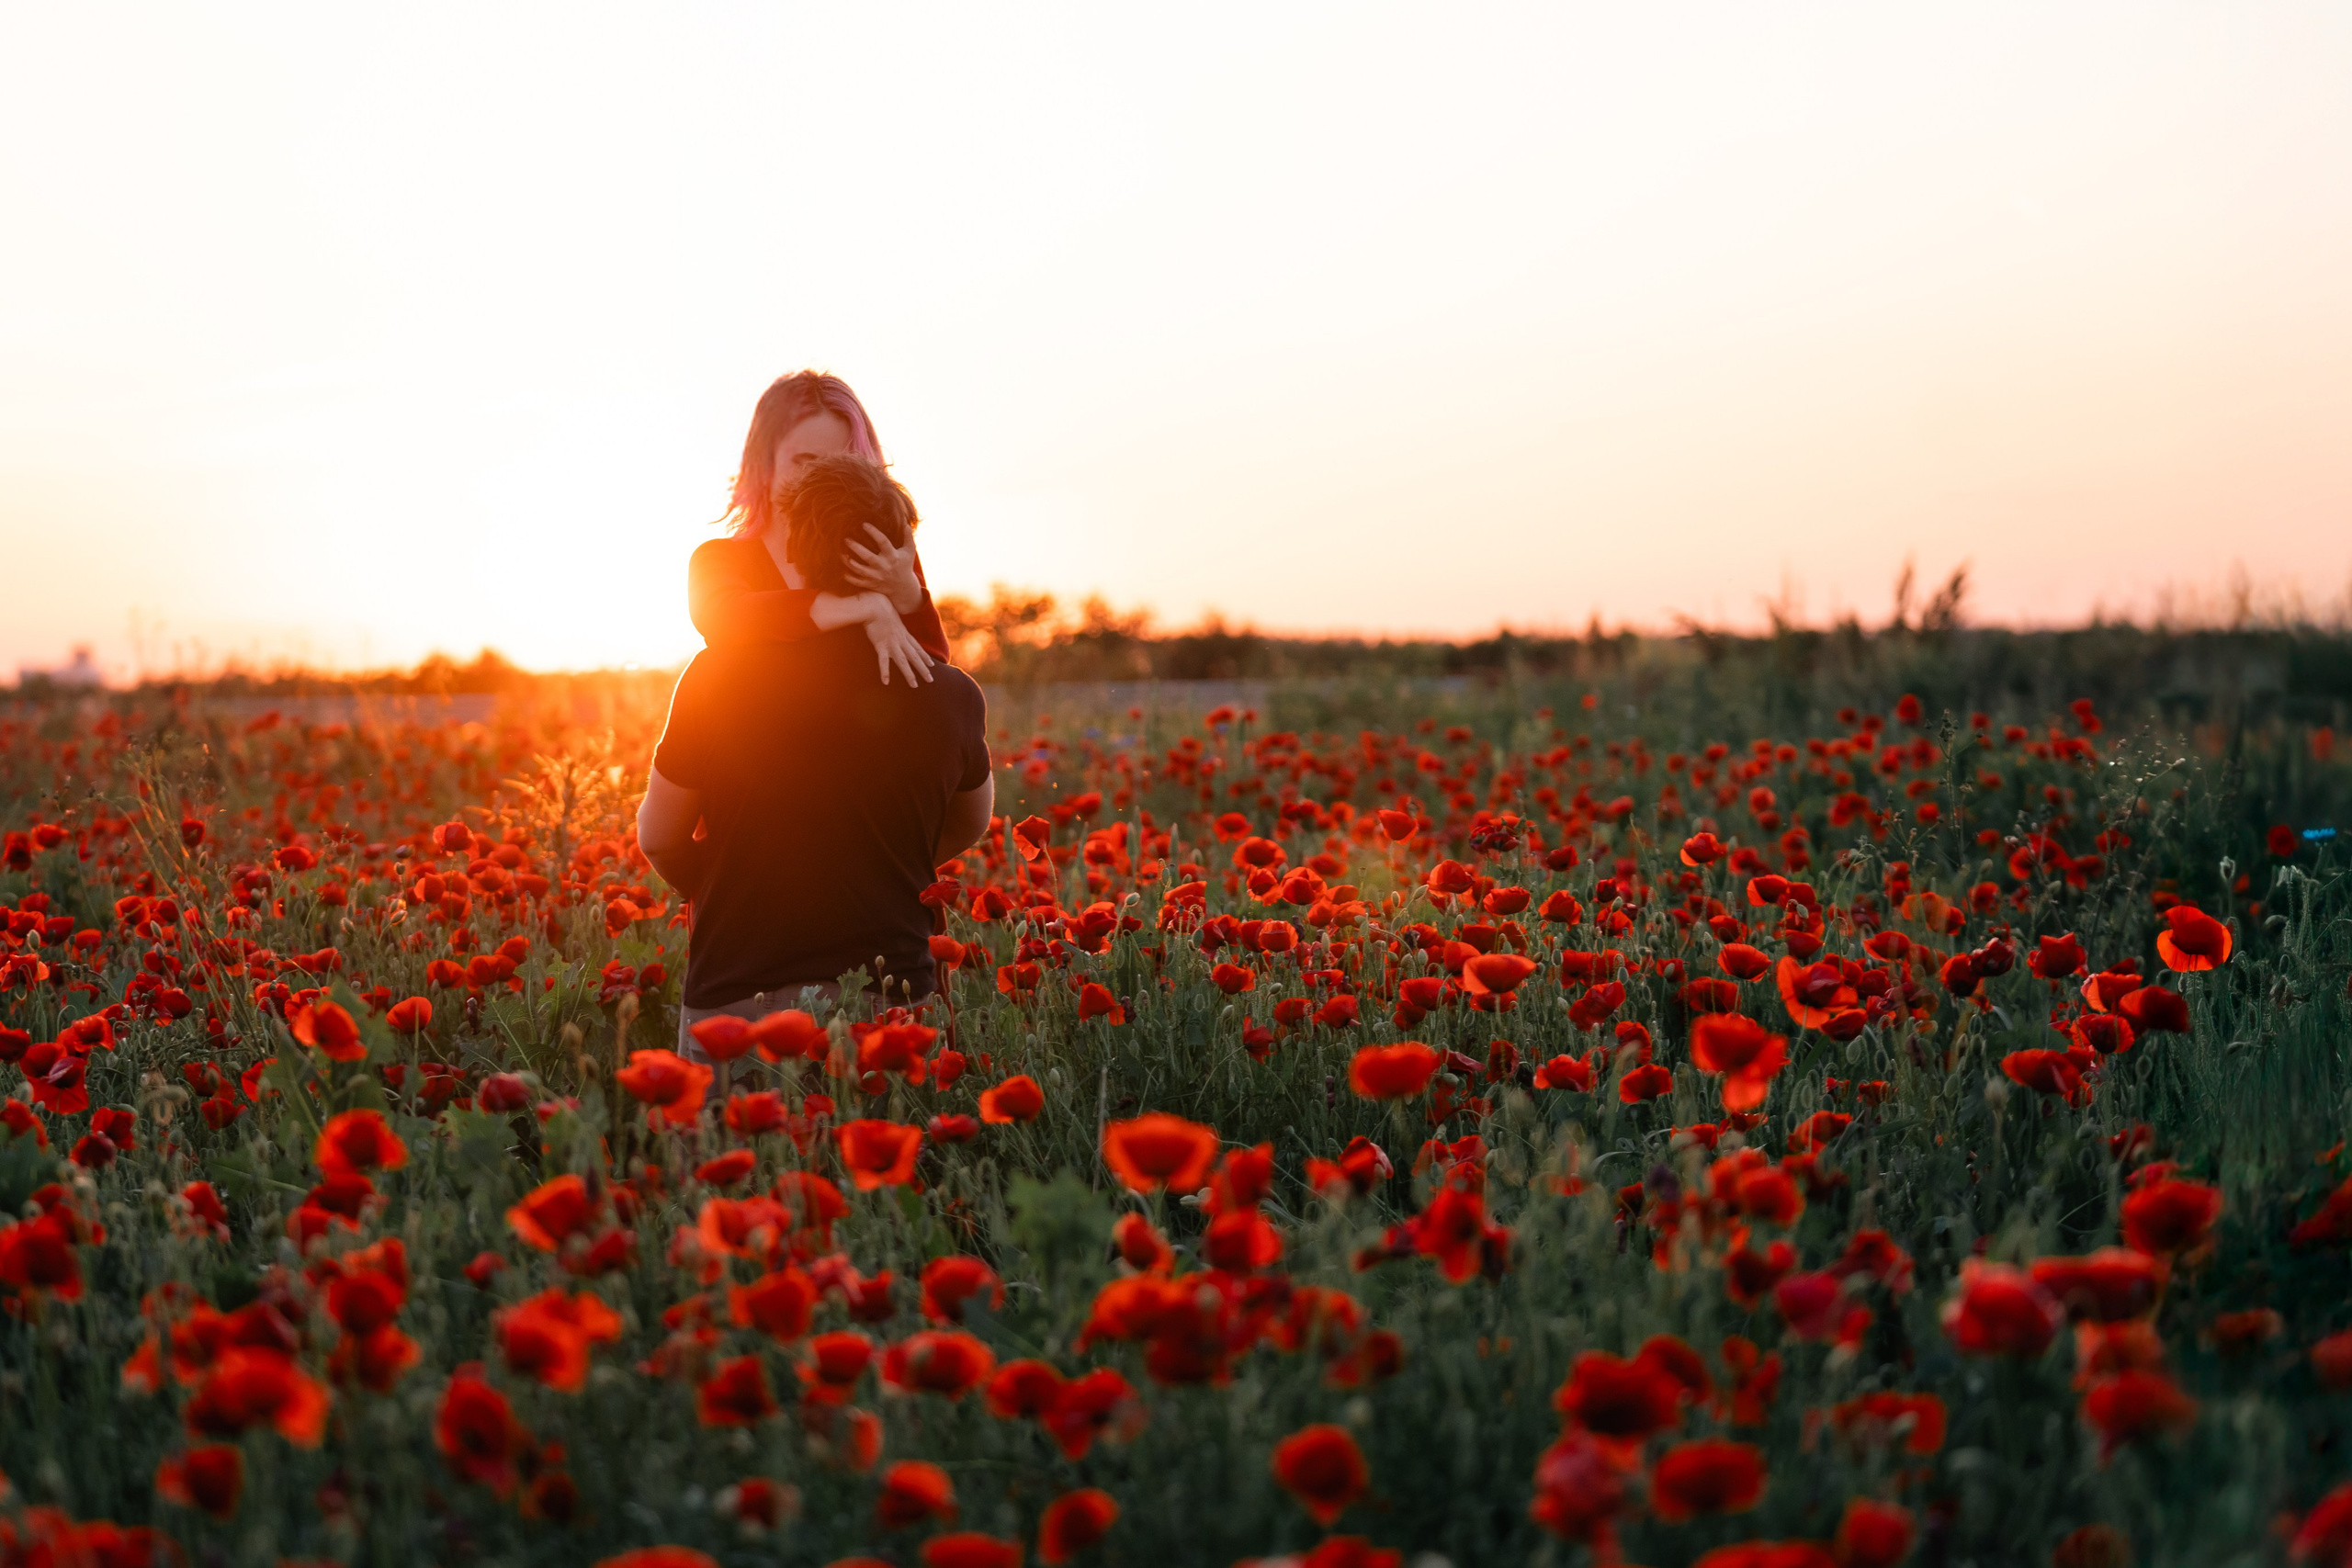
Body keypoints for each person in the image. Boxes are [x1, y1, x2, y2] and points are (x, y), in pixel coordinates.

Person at [639, 454, 994, 1051]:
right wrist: (877, 860)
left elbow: (658, 836)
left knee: (734, 1145)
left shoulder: (713, 677)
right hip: (891, 1002)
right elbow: (970, 822)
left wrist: (726, 876)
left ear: (796, 557)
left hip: (736, 996)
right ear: (901, 554)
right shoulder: (952, 694)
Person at [691, 370, 950, 687]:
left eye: (839, 464)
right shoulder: (718, 558)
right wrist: (864, 607)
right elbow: (723, 618)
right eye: (804, 462)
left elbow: (933, 672)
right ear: (764, 464)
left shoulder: (882, 557)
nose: (818, 482)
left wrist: (904, 591)